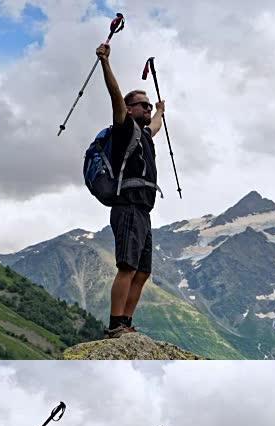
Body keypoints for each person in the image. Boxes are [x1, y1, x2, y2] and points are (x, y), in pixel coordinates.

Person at [96, 42, 165, 339]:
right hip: (127, 207)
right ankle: (115, 325)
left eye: (149, 105)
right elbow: (115, 96)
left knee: (142, 271)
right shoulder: (124, 129)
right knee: (127, 267)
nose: (148, 109)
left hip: (143, 211)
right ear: (129, 109)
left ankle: (126, 320)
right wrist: (105, 63)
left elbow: (157, 126)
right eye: (144, 105)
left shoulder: (145, 135)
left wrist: (161, 111)